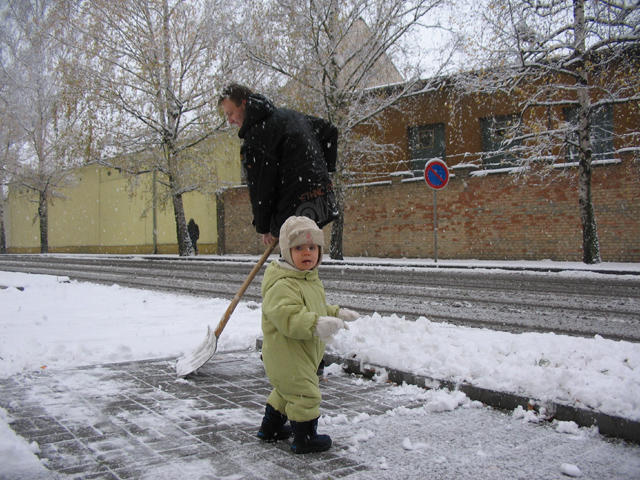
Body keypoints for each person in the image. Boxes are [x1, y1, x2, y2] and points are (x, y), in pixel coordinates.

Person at [257, 216, 360, 454]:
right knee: (306, 393)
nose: (307, 253)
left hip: (300, 353)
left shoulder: (308, 279)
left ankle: (269, 428)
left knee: (286, 392)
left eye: (312, 247)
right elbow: (290, 317)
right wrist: (316, 324)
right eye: (299, 248)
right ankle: (305, 438)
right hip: (286, 355)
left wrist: (337, 313)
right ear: (286, 251)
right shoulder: (282, 285)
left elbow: (315, 307)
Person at [218, 83, 339, 246]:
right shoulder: (288, 116)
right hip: (321, 199)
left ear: (244, 103)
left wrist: (264, 227)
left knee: (294, 261)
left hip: (294, 211)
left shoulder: (256, 137)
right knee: (306, 257)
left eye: (231, 113)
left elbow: (261, 187)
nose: (230, 120)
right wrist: (323, 172)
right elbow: (330, 131)